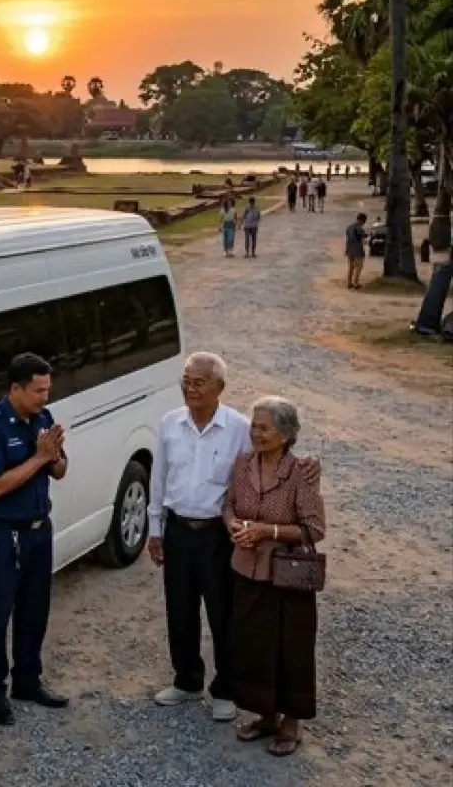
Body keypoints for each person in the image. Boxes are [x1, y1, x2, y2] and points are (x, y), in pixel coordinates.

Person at [147, 353, 319, 724]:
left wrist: (308, 463)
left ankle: (225, 688)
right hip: (178, 529)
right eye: (186, 380)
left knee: (223, 613)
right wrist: (155, 529)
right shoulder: (169, 424)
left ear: (219, 388)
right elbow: (158, 479)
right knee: (179, 609)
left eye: (199, 382)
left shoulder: (240, 428)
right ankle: (187, 680)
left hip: (217, 536)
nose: (190, 388)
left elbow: (274, 454)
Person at [224, 397, 325, 757]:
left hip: (286, 577)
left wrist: (267, 531)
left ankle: (291, 723)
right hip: (246, 571)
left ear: (285, 434)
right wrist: (234, 525)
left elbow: (314, 529)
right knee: (253, 644)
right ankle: (266, 715)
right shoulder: (242, 465)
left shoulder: (301, 473)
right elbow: (230, 505)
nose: (255, 433)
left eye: (264, 427)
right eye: (253, 425)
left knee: (291, 649)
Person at [0, 353, 69, 725]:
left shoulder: (42, 418)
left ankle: (28, 680)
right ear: (16, 388)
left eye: (48, 389)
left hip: (37, 530)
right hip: (2, 533)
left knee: (34, 610)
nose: (45, 397)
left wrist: (54, 455)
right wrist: (39, 458)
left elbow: (59, 470)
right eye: (38, 390)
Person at [345, 212, 368, 289]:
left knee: (351, 267)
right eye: (364, 222)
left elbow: (348, 237)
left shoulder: (349, 227)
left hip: (349, 249)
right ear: (362, 220)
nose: (363, 224)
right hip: (357, 250)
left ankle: (349, 282)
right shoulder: (359, 228)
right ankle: (356, 283)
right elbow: (364, 235)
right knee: (359, 266)